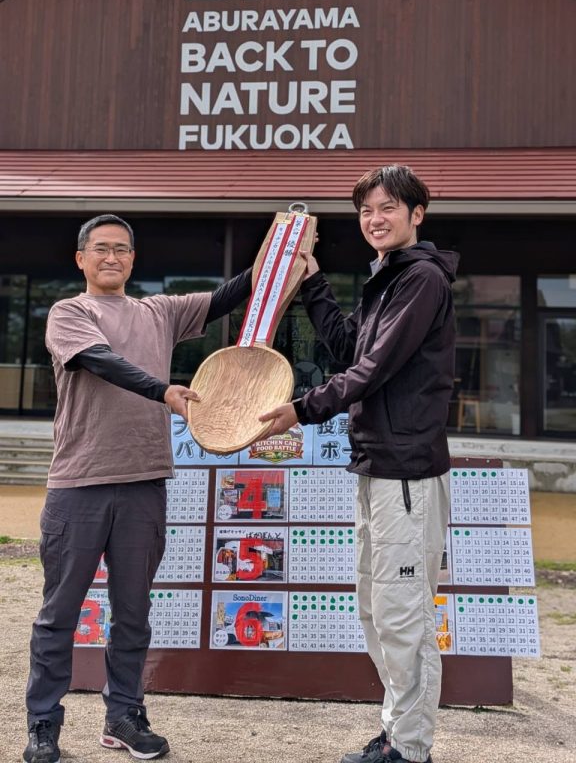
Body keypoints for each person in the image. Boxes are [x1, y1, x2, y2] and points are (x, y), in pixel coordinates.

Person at [24, 214, 252, 763]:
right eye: (101, 248)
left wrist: (281, 250)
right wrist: (163, 391)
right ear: (81, 258)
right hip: (80, 483)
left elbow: (228, 296)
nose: (112, 257)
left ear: (133, 259)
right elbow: (100, 362)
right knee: (59, 613)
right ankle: (43, 724)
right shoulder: (70, 312)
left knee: (132, 612)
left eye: (122, 249)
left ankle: (124, 716)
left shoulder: (160, 312)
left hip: (144, 481)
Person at [260, 165, 459, 763]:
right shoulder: (387, 278)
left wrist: (302, 408)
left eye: (388, 207)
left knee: (403, 616)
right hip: (376, 466)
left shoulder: (421, 278)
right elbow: (350, 350)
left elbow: (373, 370)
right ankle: (398, 731)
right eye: (366, 210)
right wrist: (312, 280)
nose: (375, 219)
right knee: (376, 608)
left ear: (417, 214)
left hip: (408, 473)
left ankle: (411, 748)